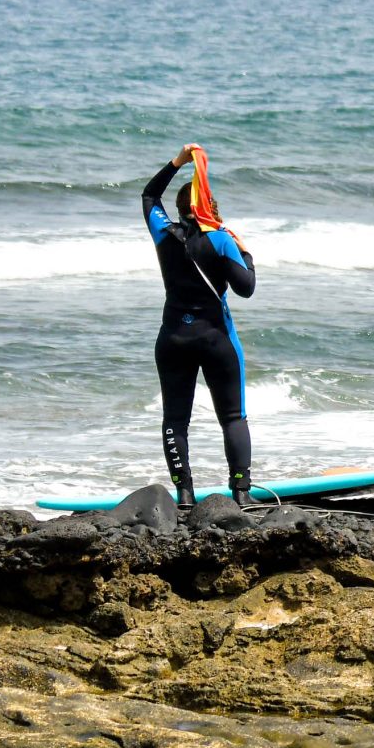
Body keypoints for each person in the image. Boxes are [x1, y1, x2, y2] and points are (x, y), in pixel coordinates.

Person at [140, 144, 258, 509]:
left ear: (179, 208)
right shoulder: (221, 239)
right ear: (207, 206)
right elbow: (246, 287)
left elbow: (148, 194)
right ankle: (240, 492)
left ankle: (185, 495)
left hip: (173, 337)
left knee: (176, 419)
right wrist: (245, 253)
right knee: (233, 417)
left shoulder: (163, 232)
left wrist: (178, 161)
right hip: (215, 339)